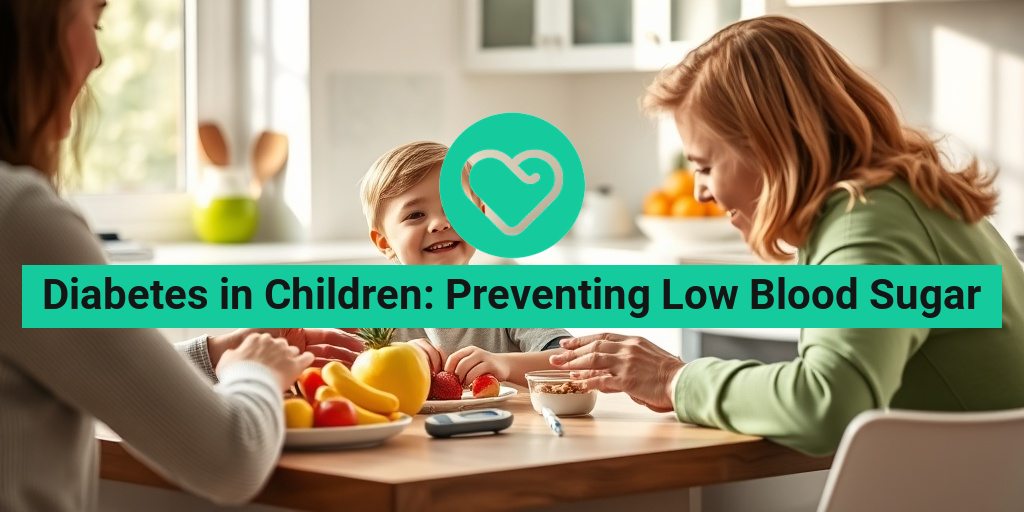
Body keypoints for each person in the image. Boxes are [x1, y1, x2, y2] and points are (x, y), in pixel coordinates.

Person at [551, 15, 1024, 456]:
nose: (699, 193)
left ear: (769, 146)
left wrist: (674, 378)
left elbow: (827, 403)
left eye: (705, 166)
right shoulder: (897, 199)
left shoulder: (870, 221)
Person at [0, 1, 361, 510]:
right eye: (94, 20)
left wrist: (213, 356)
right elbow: (231, 459)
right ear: (30, 25)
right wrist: (255, 373)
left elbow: (91, 374)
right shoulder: (19, 218)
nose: (100, 58)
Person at [355, 141, 568, 386]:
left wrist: (504, 365)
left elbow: (571, 361)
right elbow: (340, 372)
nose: (440, 223)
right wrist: (391, 359)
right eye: (415, 215)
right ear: (384, 242)